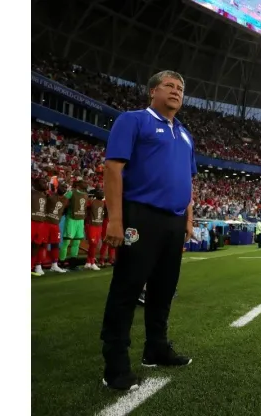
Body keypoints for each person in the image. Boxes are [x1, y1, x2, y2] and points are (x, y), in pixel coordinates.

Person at [99, 70, 196, 391]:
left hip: (173, 221)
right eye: (169, 85)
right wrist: (115, 219)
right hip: (140, 216)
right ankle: (115, 365)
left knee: (164, 289)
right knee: (127, 289)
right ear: (152, 91)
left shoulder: (184, 134)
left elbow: (188, 179)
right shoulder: (134, 120)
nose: (176, 91)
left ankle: (155, 348)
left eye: (180, 88)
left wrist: (188, 218)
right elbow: (113, 167)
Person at [85, 189, 105, 270]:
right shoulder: (91, 201)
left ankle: (88, 262)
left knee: (94, 245)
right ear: (96, 195)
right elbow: (85, 207)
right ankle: (92, 262)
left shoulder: (104, 203)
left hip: (99, 225)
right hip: (92, 225)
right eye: (100, 193)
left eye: (102, 193)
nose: (102, 194)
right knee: (93, 244)